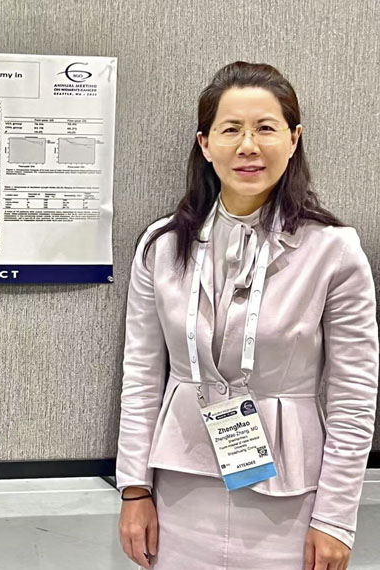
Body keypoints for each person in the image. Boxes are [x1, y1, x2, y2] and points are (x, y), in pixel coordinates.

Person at [116, 61, 378, 570]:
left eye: (265, 128)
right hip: (179, 488)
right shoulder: (161, 247)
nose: (248, 146)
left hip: (291, 497)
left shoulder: (334, 251)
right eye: (231, 129)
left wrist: (336, 517)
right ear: (205, 143)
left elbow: (354, 396)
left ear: (294, 139)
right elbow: (142, 375)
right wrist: (133, 489)